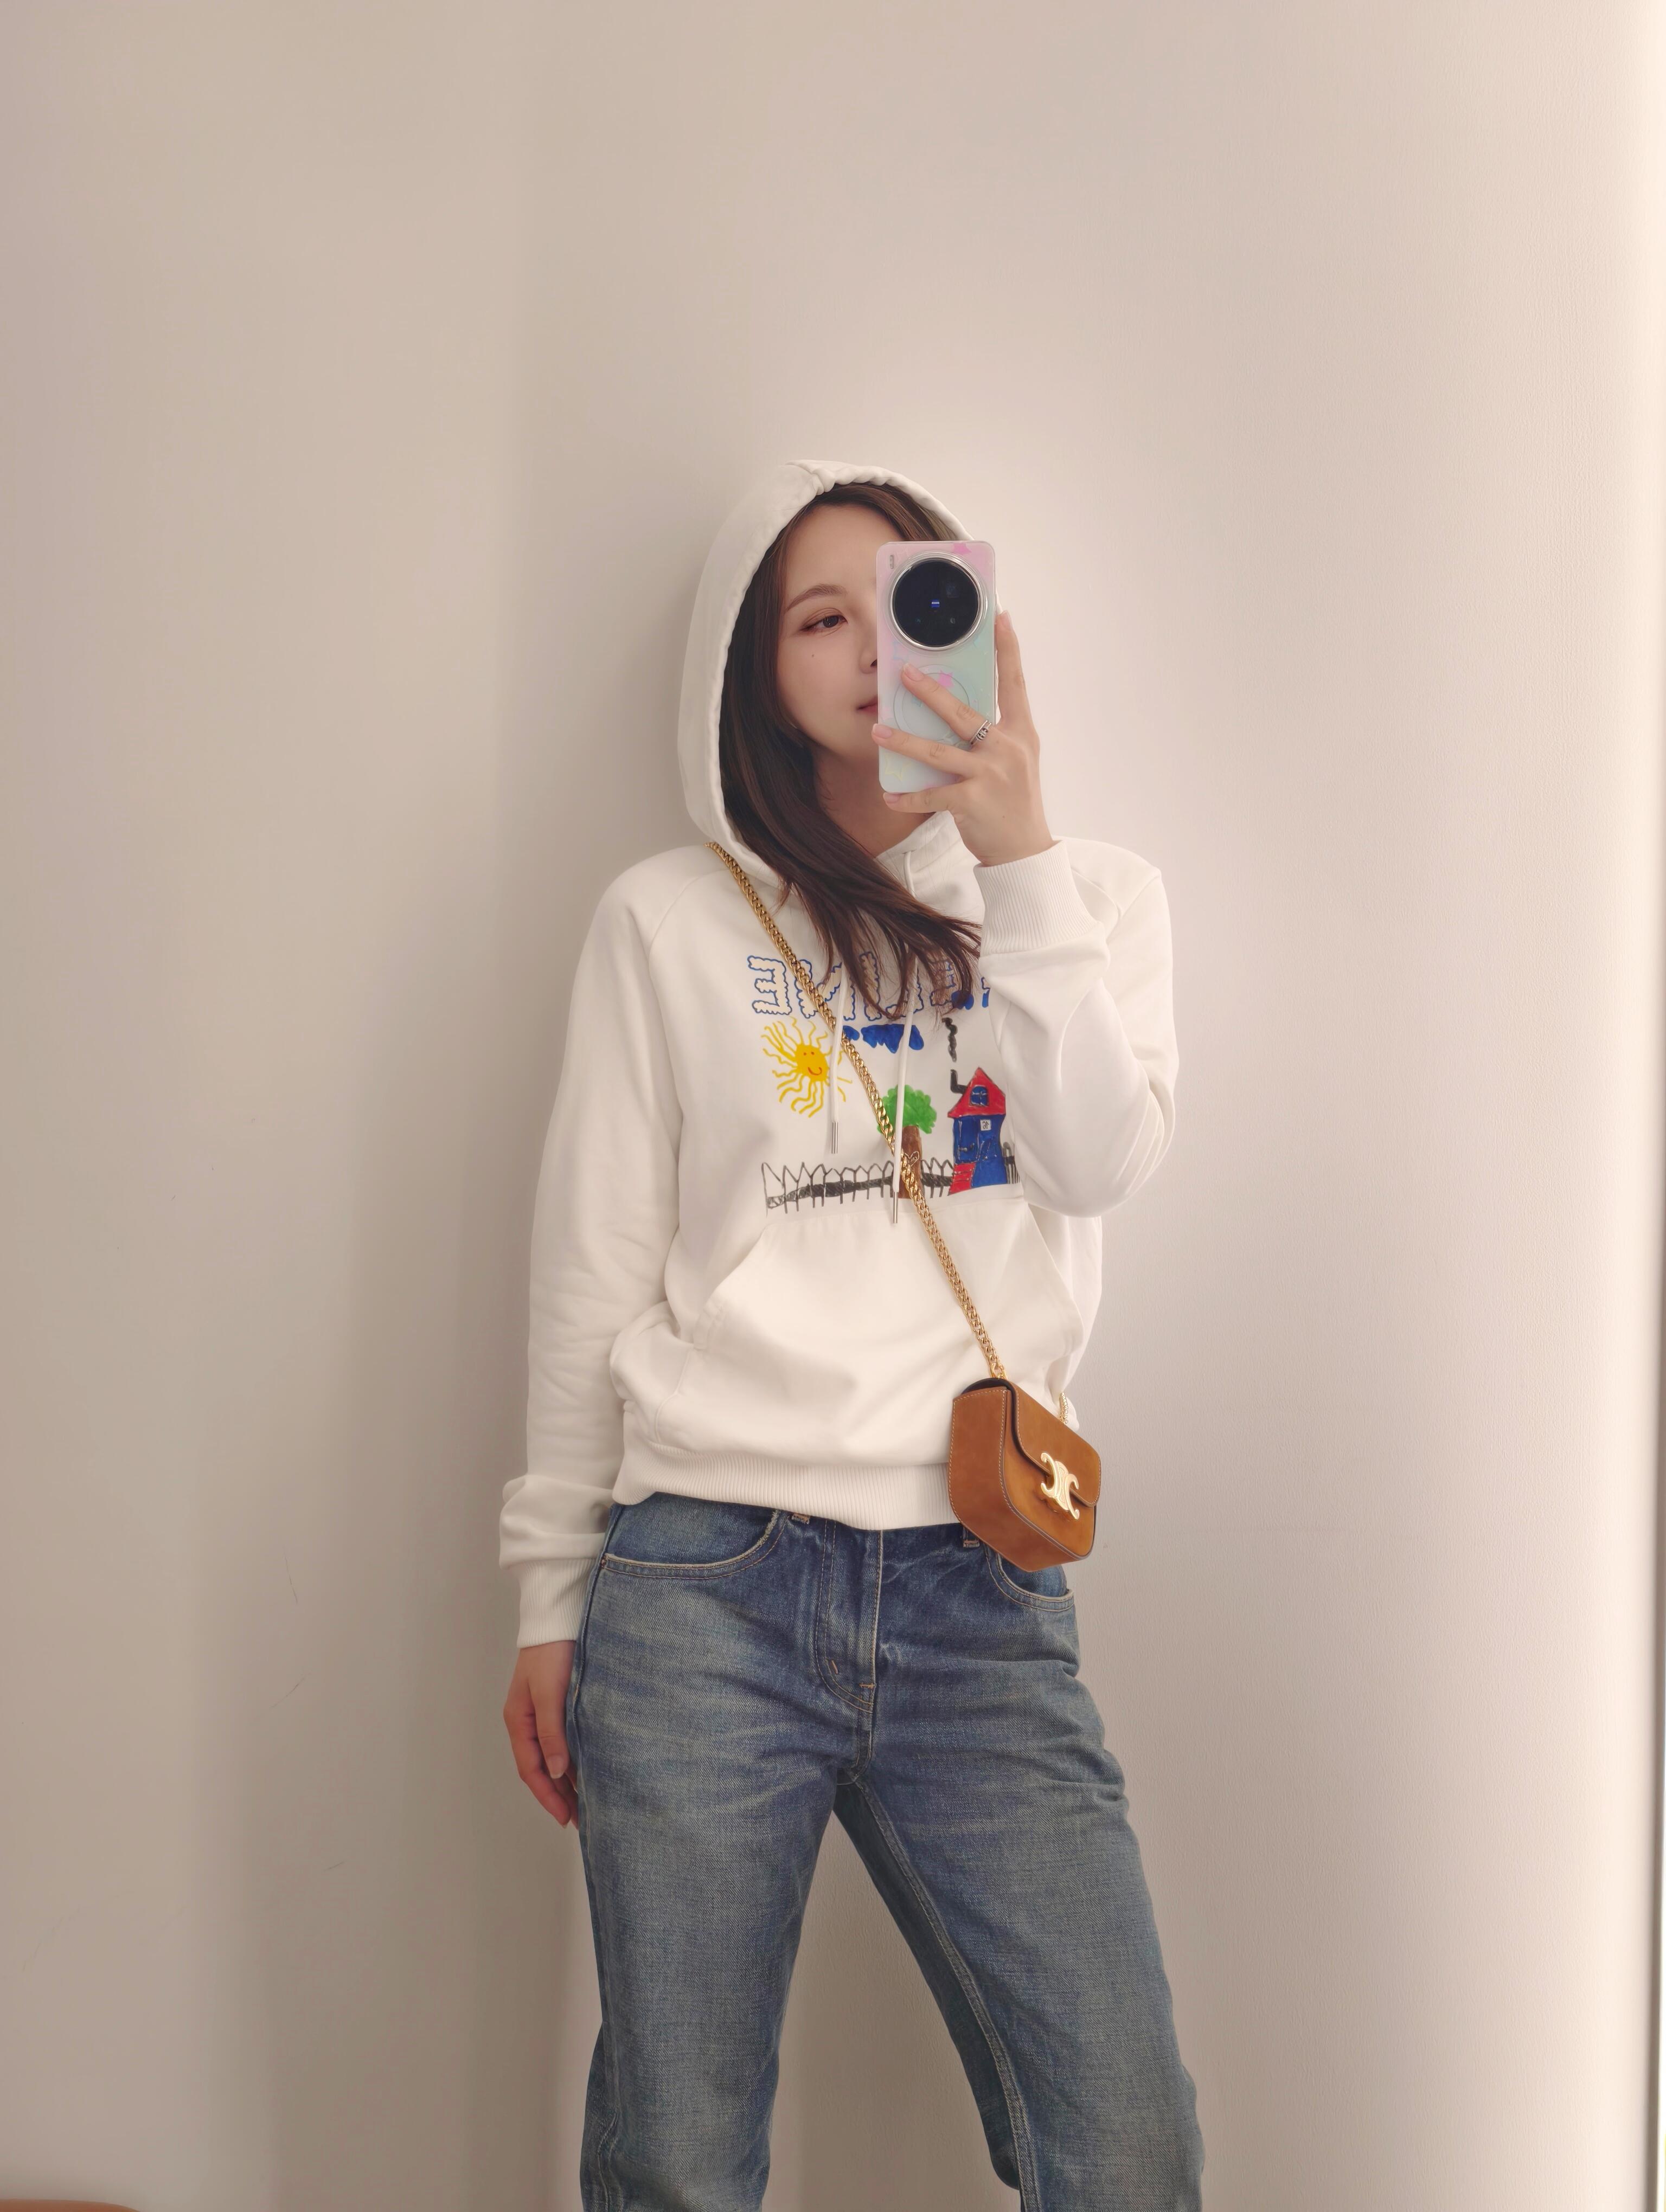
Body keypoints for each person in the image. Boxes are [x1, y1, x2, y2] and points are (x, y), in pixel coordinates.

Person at [499, 458, 1205, 2210]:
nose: (875, 648)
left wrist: (1017, 856)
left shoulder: (1092, 898)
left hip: (979, 1584)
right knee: (676, 2155)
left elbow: (1097, 1164)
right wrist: (548, 1595)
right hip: (704, 1584)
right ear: (756, 672)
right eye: (824, 616)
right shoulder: (669, 920)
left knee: (1125, 2146)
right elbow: (591, 1269)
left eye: (913, 602)